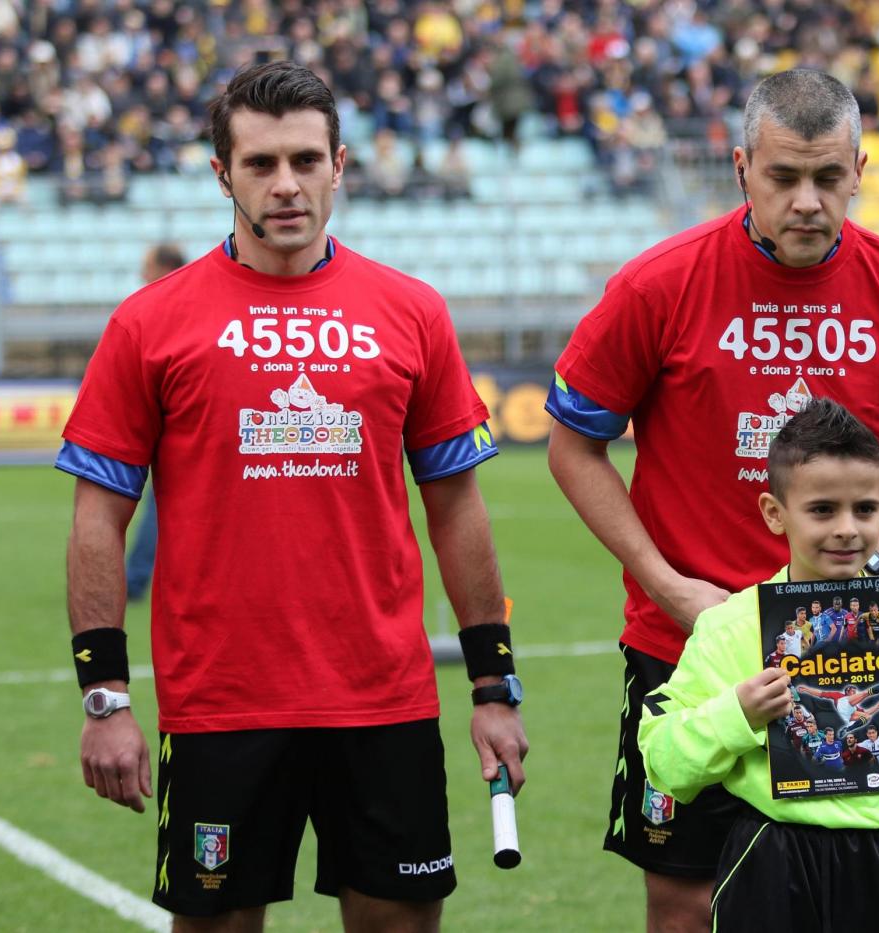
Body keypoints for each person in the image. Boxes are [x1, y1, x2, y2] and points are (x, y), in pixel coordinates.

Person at [56, 61, 528, 932]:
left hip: (383, 697)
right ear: (221, 174)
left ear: (339, 166)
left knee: (399, 922)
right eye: (261, 163)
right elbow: (98, 516)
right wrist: (105, 695)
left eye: (306, 161)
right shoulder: (149, 322)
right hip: (221, 700)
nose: (286, 185)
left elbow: (457, 508)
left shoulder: (412, 311)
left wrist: (494, 683)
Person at [545, 68, 879, 931]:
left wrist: (866, 569)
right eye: (784, 177)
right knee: (682, 901)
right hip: (686, 640)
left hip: (845, 654)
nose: (808, 202)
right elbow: (573, 445)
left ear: (860, 170)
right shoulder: (660, 284)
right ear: (742, 167)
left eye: (828, 177)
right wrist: (668, 584)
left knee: (843, 891)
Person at [637, 398, 879, 929]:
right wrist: (737, 715)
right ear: (775, 513)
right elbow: (664, 764)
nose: (847, 529)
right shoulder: (732, 626)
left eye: (864, 509)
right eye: (822, 510)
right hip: (775, 860)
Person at [122, 243, 188, 602]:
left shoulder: (166, 307)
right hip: (178, 420)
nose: (142, 274)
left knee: (157, 505)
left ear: (165, 268)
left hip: (173, 422)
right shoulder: (193, 302)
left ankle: (135, 579)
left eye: (147, 266)